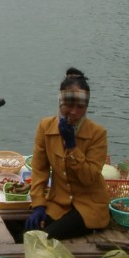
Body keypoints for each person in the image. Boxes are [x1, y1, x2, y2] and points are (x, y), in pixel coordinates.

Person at [25, 67, 110, 239]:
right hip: (59, 203)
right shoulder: (45, 127)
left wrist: (72, 147)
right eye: (69, 106)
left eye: (80, 107)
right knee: (26, 234)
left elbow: (89, 177)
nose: (74, 112)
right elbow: (39, 169)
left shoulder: (97, 134)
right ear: (60, 103)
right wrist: (38, 204)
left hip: (89, 206)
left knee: (45, 238)